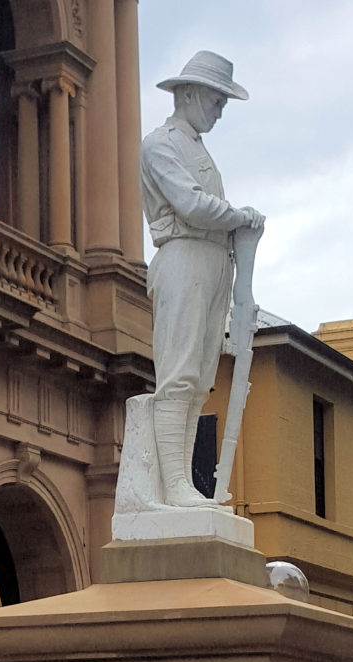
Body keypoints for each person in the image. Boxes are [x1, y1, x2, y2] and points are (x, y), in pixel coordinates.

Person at [140, 51, 264, 508]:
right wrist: (240, 215)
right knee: (179, 373)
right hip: (184, 256)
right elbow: (190, 205)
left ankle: (183, 485)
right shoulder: (161, 144)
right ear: (188, 93)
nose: (219, 110)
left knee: (199, 379)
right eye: (215, 100)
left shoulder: (198, 148)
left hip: (214, 261)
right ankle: (173, 484)